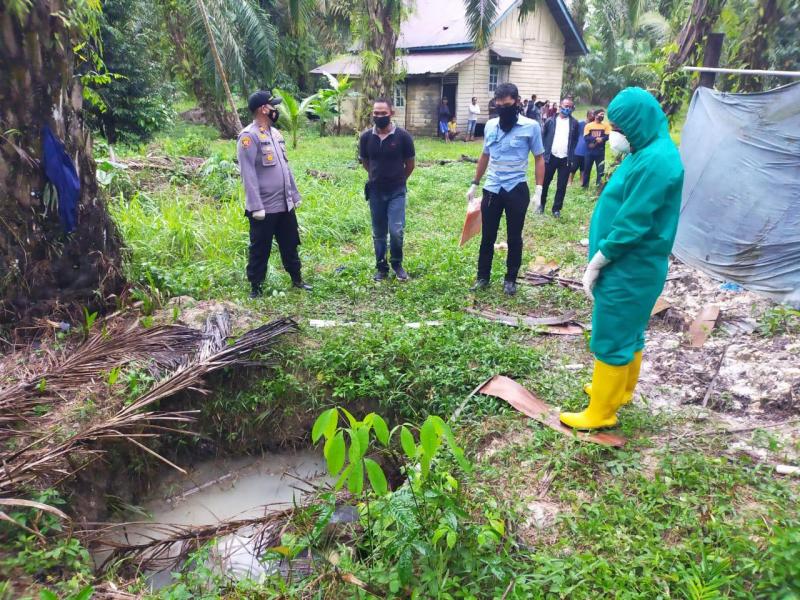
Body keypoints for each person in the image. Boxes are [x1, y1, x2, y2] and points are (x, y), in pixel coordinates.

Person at [560, 87, 684, 430]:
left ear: (639, 126)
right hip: (637, 264)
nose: (615, 135)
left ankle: (601, 411)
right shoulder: (648, 149)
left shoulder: (656, 161)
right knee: (631, 329)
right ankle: (620, 391)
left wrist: (601, 258)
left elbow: (633, 222)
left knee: (612, 332)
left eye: (621, 130)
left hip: (629, 264)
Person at [466, 82, 545, 296]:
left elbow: (539, 158)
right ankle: (483, 277)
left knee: (514, 237)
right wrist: (475, 182)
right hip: (492, 189)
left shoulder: (531, 127)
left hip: (516, 189)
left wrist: (539, 190)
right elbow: (485, 155)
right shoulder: (491, 126)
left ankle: (510, 279)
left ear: (517, 102)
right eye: (498, 105)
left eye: (507, 105)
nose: (503, 109)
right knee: (487, 236)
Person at [238, 90, 311, 298]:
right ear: (263, 109)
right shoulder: (248, 137)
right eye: (273, 106)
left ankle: (297, 279)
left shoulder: (276, 134)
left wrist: (294, 195)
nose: (275, 110)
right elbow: (248, 173)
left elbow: (285, 169)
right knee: (260, 248)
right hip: (264, 207)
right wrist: (255, 206)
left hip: (284, 203)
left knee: (290, 243)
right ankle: (256, 287)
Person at [359, 98, 416, 282]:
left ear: (391, 113)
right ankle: (381, 267)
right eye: (376, 113)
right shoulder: (366, 137)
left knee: (396, 230)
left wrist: (398, 180)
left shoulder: (403, 137)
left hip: (397, 191)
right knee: (379, 232)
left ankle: (397, 264)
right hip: (375, 191)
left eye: (383, 113)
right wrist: (377, 177)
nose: (379, 116)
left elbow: (410, 164)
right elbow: (366, 163)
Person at [537, 98, 579, 218]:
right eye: (566, 106)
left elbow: (575, 140)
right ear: (560, 106)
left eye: (570, 107)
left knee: (561, 185)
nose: (568, 108)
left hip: (565, 159)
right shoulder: (550, 121)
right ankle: (541, 204)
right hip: (550, 157)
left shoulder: (574, 123)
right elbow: (543, 137)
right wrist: (543, 153)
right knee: (545, 182)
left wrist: (571, 154)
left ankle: (556, 209)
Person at [582, 109, 611, 187]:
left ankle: (599, 185)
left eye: (603, 115)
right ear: (595, 115)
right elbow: (586, 137)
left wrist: (602, 139)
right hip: (589, 151)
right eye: (601, 114)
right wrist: (595, 139)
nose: (602, 116)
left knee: (600, 170)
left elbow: (608, 136)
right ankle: (585, 185)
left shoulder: (606, 125)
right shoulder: (588, 125)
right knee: (587, 169)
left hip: (600, 151)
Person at [570, 110, 593, 185]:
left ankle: (581, 181)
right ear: (588, 115)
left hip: (588, 148)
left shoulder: (594, 126)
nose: (593, 116)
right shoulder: (580, 123)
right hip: (579, 146)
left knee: (584, 167)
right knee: (574, 166)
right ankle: (569, 181)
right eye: (592, 114)